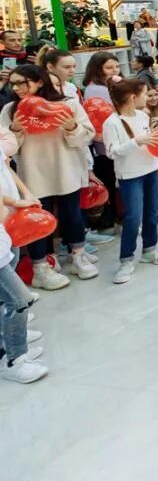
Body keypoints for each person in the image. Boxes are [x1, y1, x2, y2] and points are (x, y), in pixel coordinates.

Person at [0, 64, 97, 289]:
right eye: (13, 84)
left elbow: (87, 136)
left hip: (66, 169)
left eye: (22, 83)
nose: (17, 88)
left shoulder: (67, 105)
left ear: (40, 81)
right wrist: (15, 130)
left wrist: (72, 126)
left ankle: (78, 256)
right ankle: (40, 267)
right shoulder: (10, 111)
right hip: (33, 174)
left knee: (71, 214)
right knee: (34, 221)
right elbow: (6, 151)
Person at [102, 79, 158, 285]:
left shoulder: (143, 115)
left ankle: (150, 249)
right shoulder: (112, 122)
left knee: (153, 212)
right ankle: (126, 259)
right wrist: (136, 142)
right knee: (133, 217)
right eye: (143, 94)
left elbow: (150, 141)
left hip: (151, 168)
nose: (147, 97)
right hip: (130, 174)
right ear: (133, 97)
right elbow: (112, 152)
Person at [0, 152, 48, 383]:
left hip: (3, 237)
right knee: (19, 300)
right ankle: (13, 359)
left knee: (8, 300)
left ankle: (11, 349)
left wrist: (18, 201)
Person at [82, 52, 123, 236]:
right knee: (111, 181)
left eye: (116, 66)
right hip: (104, 143)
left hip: (112, 140)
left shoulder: (110, 85)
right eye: (109, 67)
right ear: (98, 69)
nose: (114, 70)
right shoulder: (96, 90)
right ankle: (113, 219)